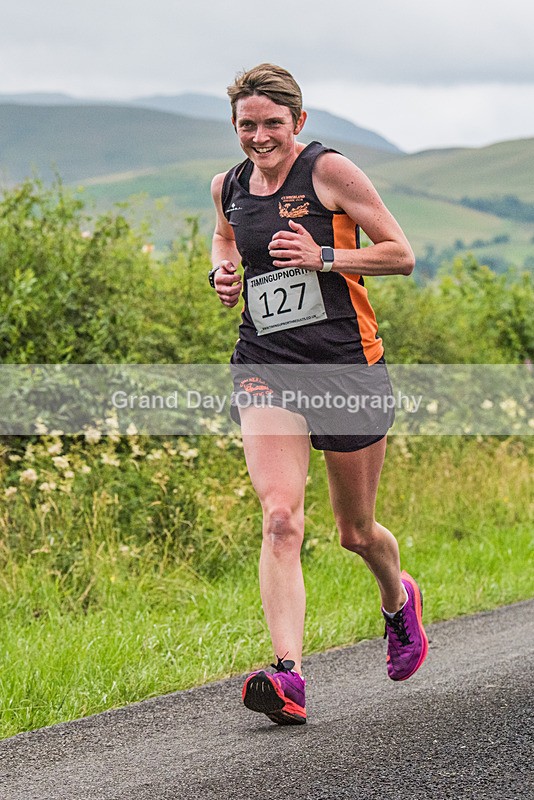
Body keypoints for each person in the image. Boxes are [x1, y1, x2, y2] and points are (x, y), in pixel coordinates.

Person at [209, 63, 428, 726]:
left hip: (345, 366)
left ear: (297, 123)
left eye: (273, 124)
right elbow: (226, 236)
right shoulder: (229, 186)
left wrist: (324, 258)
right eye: (248, 125)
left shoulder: (330, 173)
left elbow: (400, 253)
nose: (260, 136)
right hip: (266, 366)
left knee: (355, 532)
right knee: (280, 517)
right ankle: (289, 676)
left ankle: (397, 599)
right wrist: (221, 270)